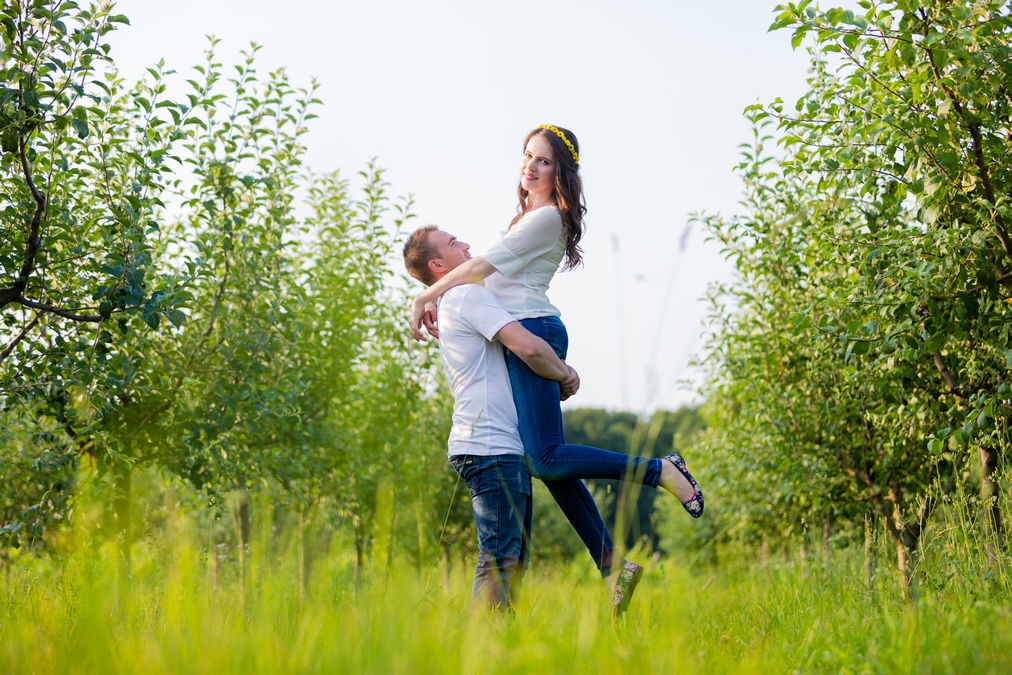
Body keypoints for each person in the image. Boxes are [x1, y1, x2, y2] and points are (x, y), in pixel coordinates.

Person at [407, 126, 704, 609]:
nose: (530, 166)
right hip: (526, 328)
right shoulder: (527, 216)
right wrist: (441, 296)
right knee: (547, 459)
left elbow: (479, 270)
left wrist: (426, 295)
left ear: (560, 171)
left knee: (545, 457)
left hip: (533, 328)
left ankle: (659, 471)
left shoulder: (546, 217)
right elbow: (480, 279)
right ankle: (612, 566)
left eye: (543, 160)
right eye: (527, 155)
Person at [402, 224, 583, 610]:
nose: (467, 245)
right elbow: (530, 348)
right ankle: (479, 643)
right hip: (490, 447)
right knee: (500, 563)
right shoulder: (466, 296)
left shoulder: (457, 299)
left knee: (510, 566)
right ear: (437, 265)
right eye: (454, 244)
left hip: (494, 446)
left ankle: (499, 641)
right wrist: (566, 375)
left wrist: (427, 297)